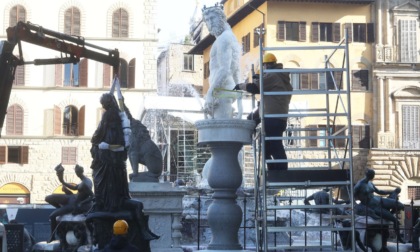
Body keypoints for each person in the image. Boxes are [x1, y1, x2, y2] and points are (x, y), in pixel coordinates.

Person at [234, 53, 293, 170]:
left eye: (264, 66)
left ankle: (280, 172)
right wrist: (254, 116)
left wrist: (240, 86)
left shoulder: (274, 75)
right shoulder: (282, 79)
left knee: (274, 145)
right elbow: (269, 102)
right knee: (267, 146)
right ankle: (274, 171)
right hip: (278, 118)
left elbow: (255, 88)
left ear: (267, 65)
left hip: (273, 118)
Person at [90, 93, 130, 212]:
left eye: (104, 104)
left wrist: (97, 142)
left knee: (100, 179)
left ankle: (105, 203)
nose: (103, 106)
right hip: (116, 158)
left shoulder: (107, 116)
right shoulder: (119, 116)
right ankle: (114, 203)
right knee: (113, 180)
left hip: (107, 156)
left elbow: (98, 134)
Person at [202, 4, 241, 119]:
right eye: (207, 20)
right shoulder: (230, 37)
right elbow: (236, 69)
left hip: (221, 92)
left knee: (220, 133)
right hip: (224, 90)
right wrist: (237, 91)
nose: (210, 23)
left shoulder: (223, 39)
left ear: (222, 18)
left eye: (213, 18)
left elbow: (224, 69)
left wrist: (210, 93)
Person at [45, 164, 93, 242]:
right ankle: (60, 209)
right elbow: (74, 187)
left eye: (76, 172)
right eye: (75, 172)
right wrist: (63, 182)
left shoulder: (86, 183)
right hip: (71, 197)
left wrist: (82, 203)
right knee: (48, 198)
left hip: (74, 204)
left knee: (52, 216)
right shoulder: (84, 181)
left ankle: (52, 236)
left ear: (80, 172)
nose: (76, 174)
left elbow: (92, 196)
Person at [353, 168, 405, 243]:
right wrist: (357, 206)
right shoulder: (359, 185)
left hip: (379, 200)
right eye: (373, 175)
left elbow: (379, 191)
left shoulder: (370, 183)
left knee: (400, 205)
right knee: (394, 220)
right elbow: (353, 195)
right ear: (368, 175)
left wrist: (390, 192)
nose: (373, 177)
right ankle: (399, 238)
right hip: (373, 206)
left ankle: (391, 213)